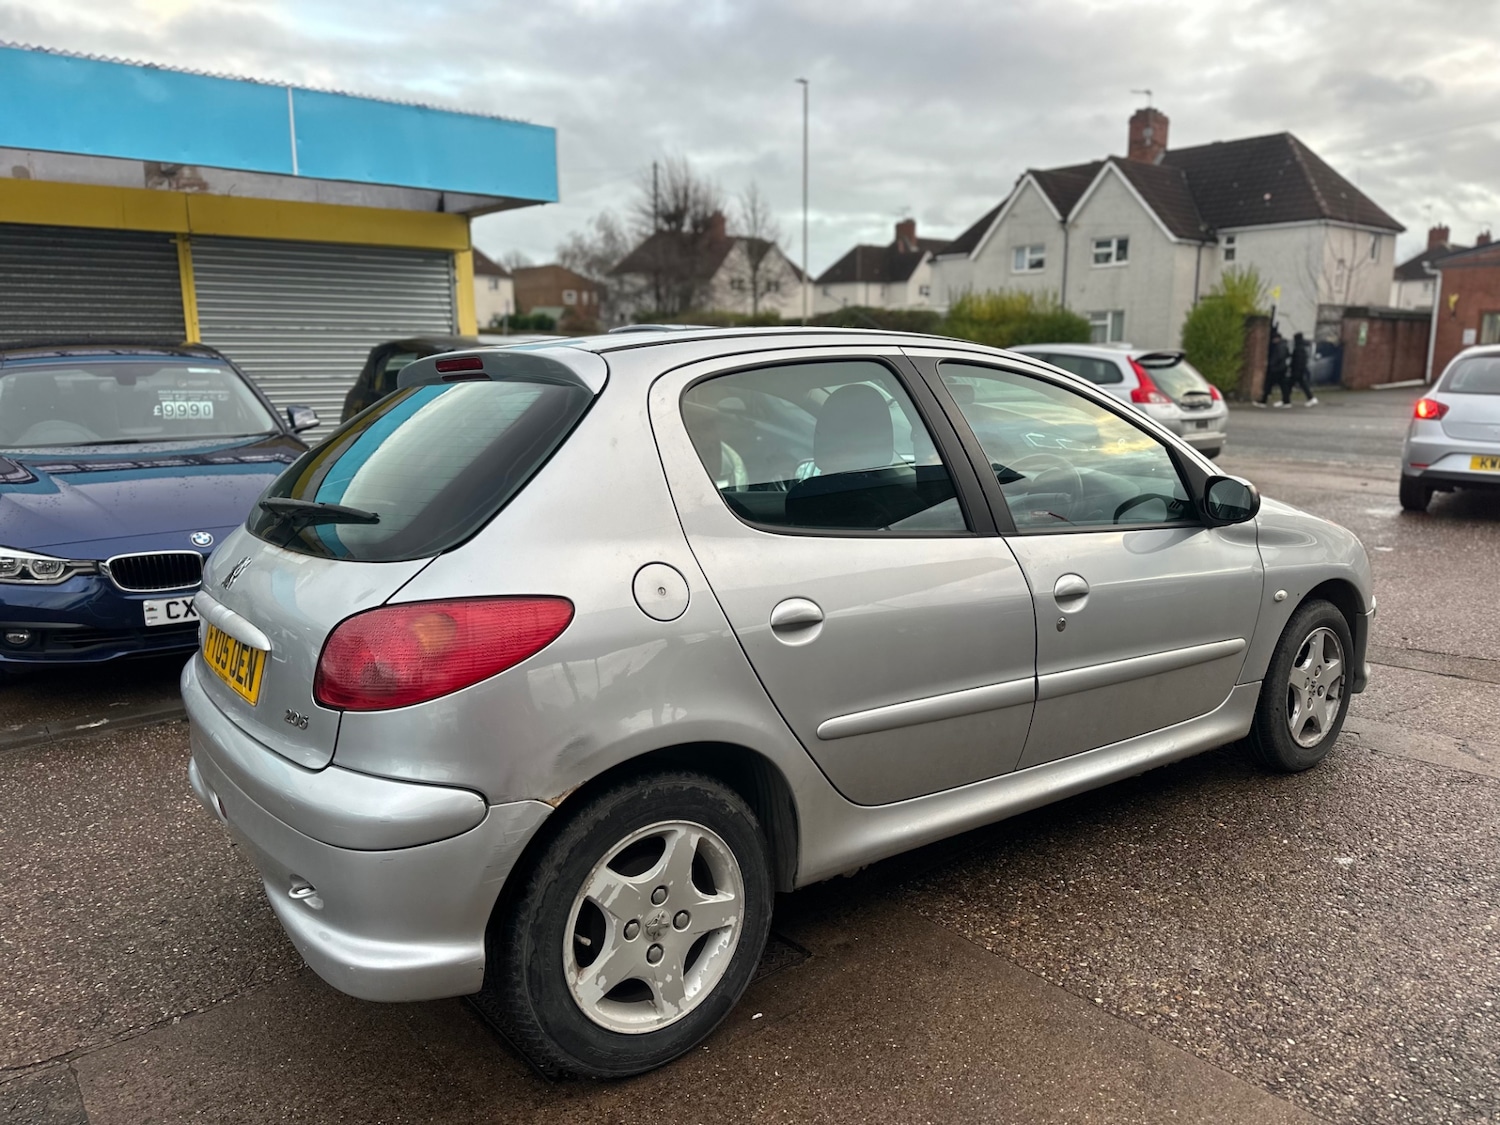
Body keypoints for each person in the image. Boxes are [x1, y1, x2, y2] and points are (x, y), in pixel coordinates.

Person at [1257, 330, 1290, 407]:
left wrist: (1271, 363)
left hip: (1276, 369)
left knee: (1269, 385)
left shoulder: (1279, 346)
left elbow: (1279, 357)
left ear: (1277, 338)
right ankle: (1286, 401)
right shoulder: (1284, 345)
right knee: (1283, 386)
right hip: (1281, 368)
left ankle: (1263, 401)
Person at [1288, 332, 1318, 406]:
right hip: (1299, 370)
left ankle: (1286, 400)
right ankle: (1285, 400)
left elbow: (1298, 360)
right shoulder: (1302, 347)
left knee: (1293, 384)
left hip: (1297, 371)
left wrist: (1295, 369)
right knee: (1294, 385)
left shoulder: (1299, 348)